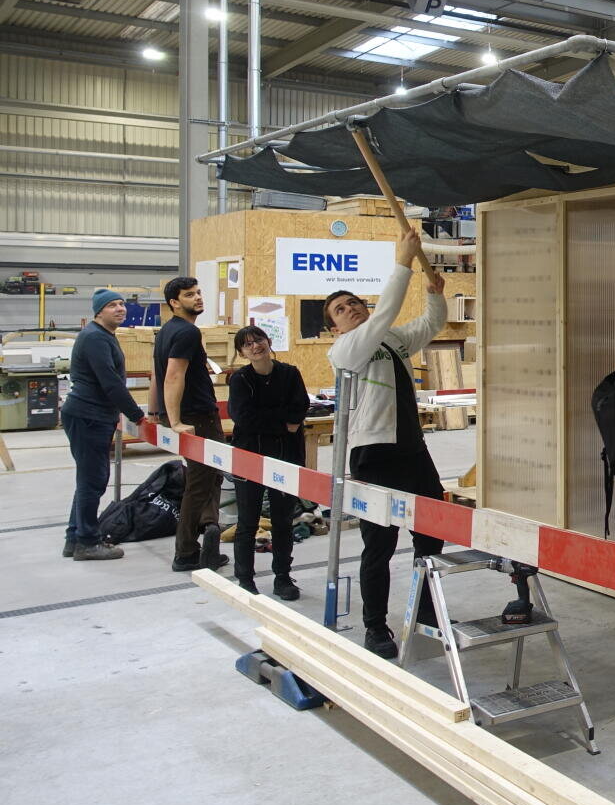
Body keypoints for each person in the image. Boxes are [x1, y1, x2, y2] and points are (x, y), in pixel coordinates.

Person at [327, 228, 447, 659]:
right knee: (379, 544)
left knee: (432, 534)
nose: (351, 310)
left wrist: (435, 294)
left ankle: (428, 612)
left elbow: (429, 325)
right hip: (372, 454)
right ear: (335, 327)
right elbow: (384, 317)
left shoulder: (391, 340)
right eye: (341, 310)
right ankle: (375, 627)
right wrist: (404, 260)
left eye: (353, 303)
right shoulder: (345, 350)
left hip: (412, 450)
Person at [150, 275, 229, 572]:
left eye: (198, 292)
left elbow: (156, 375)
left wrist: (155, 412)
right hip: (199, 418)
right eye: (188, 295)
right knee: (199, 483)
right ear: (174, 302)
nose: (197, 297)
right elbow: (172, 375)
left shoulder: (168, 331)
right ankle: (186, 552)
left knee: (209, 478)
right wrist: (175, 421)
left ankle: (209, 530)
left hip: (195, 415)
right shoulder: (186, 333)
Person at [60, 289, 145, 561]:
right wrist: (137, 415)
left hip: (92, 415)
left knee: (89, 478)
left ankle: (75, 537)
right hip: (89, 416)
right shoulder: (95, 338)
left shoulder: (102, 335)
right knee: (93, 480)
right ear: (99, 311)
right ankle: (86, 542)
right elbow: (111, 383)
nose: (120, 309)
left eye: (122, 304)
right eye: (112, 305)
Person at [227, 325, 309, 600]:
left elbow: (299, 410)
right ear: (241, 352)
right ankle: (245, 579)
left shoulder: (290, 374)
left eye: (258, 340)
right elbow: (243, 417)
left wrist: (272, 420)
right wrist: (282, 422)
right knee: (247, 522)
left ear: (268, 341)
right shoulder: (240, 380)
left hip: (286, 457)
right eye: (247, 344)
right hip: (249, 457)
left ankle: (283, 577)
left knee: (283, 521)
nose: (255, 346)